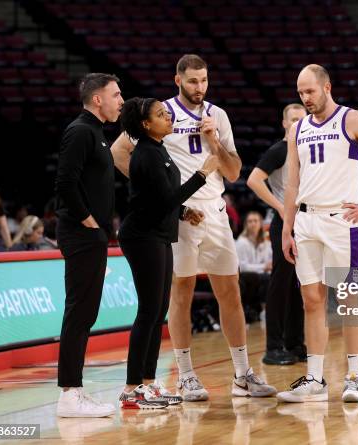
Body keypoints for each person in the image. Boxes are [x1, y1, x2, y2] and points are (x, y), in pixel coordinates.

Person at [111, 54, 275, 401]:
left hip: (215, 212)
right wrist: (166, 201)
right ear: (178, 81)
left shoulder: (219, 115)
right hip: (181, 215)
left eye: (204, 80)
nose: (199, 87)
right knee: (180, 295)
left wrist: (214, 141)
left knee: (230, 292)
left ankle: (242, 374)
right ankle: (185, 376)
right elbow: (118, 152)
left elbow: (232, 172)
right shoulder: (160, 116)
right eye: (192, 81)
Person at [117, 97, 220, 409]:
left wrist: (184, 210)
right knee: (149, 311)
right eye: (161, 114)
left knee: (157, 309)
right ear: (146, 124)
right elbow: (161, 201)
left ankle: (149, 383)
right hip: (142, 236)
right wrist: (202, 175)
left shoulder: (158, 149)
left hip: (159, 234)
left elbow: (161, 199)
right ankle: (132, 388)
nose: (168, 116)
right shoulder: (146, 154)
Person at [278, 64, 358, 403]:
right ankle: (315, 379)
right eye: (301, 93)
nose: (305, 98)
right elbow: (292, 182)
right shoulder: (298, 128)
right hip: (306, 222)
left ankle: (355, 377)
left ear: (327, 87)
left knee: (348, 300)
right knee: (312, 300)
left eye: (310, 91)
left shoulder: (354, 120)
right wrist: (287, 228)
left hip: (341, 221)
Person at [55, 73, 124, 417]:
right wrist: (88, 220)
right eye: (116, 95)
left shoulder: (96, 133)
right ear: (98, 99)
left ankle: (75, 390)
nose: (120, 101)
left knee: (86, 313)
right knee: (79, 311)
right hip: (81, 234)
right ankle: (69, 394)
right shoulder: (81, 131)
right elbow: (64, 180)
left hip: (91, 235)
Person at [247, 103, 307, 366]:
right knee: (280, 284)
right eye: (293, 119)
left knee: (297, 286)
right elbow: (253, 180)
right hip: (283, 224)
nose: (297, 124)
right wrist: (280, 207)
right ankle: (273, 347)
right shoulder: (279, 149)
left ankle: (294, 343)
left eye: (301, 119)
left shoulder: (302, 150)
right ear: (284, 123)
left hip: (303, 223)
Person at [235, 210, 272, 323]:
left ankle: (271, 310)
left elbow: (270, 260)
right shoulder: (241, 242)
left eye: (255, 221)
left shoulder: (265, 242)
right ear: (246, 224)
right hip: (245, 275)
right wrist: (263, 267)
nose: (253, 224)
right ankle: (264, 310)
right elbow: (242, 266)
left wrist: (269, 265)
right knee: (265, 278)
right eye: (250, 221)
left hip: (261, 274)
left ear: (261, 223)